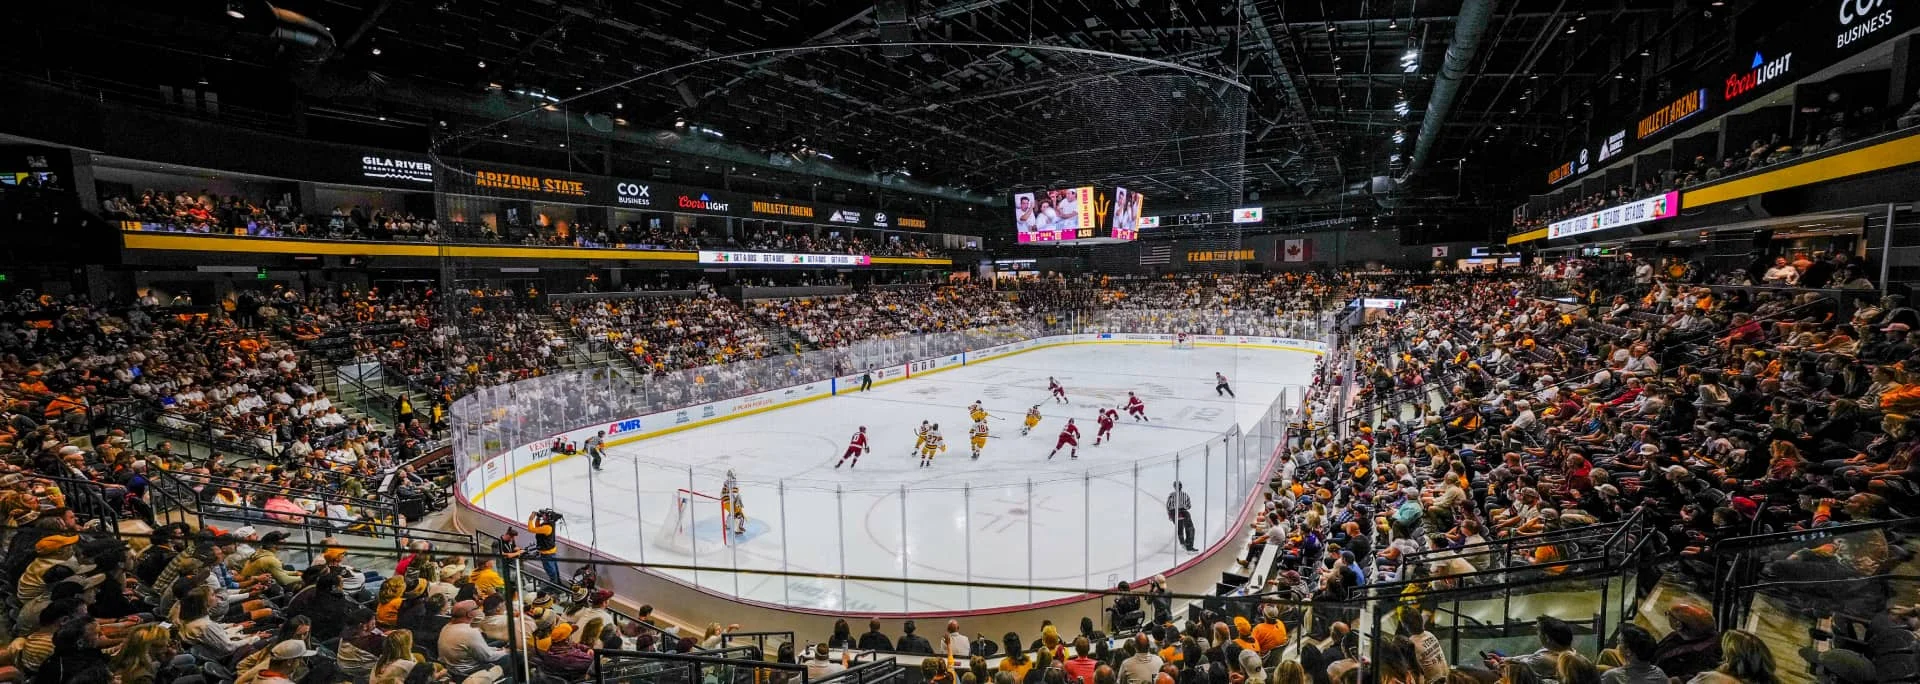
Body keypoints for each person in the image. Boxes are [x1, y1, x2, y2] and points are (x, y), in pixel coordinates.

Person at [1599, 624, 1666, 684]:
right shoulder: (1660, 674)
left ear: (1628, 651)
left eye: (1619, 642)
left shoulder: (1612, 677)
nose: (1617, 646)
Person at [526, 511, 561, 583]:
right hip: (550, 552)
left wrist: (530, 519)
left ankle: (553, 586)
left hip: (547, 554)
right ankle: (558, 583)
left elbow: (531, 529)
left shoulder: (547, 528)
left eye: (544, 515)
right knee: (555, 570)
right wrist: (538, 518)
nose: (543, 515)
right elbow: (538, 527)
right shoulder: (549, 524)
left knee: (551, 572)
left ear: (548, 518)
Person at [1167, 482, 1196, 552]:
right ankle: (1187, 544)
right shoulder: (1184, 495)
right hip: (1179, 512)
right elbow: (1189, 506)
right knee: (1187, 527)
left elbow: (1168, 506)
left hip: (1175, 512)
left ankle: (1184, 543)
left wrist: (1170, 514)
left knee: (1183, 527)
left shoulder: (1172, 495)